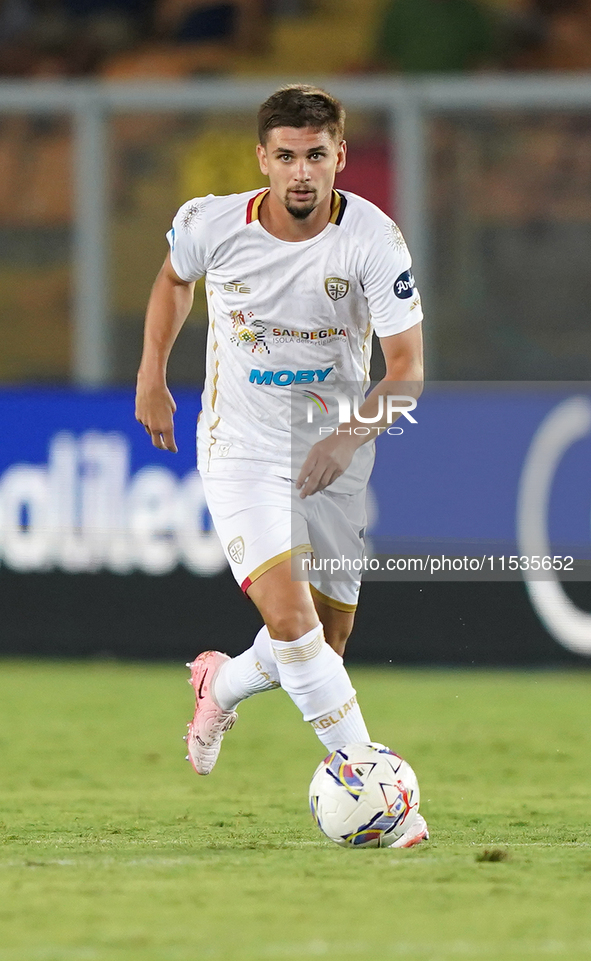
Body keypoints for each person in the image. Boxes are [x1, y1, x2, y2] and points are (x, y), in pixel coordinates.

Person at [135, 84, 427, 848]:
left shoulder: (373, 240)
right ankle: (376, 785)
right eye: (287, 157)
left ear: (339, 157)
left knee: (321, 648)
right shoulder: (210, 223)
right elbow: (173, 279)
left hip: (332, 452)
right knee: (291, 624)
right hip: (240, 446)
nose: (302, 173)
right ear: (263, 158)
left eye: (318, 156)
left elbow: (405, 372)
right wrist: (152, 372)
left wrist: (345, 439)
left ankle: (219, 682)